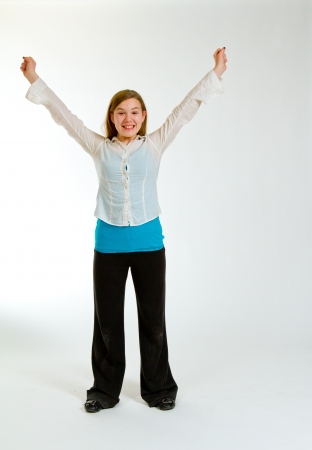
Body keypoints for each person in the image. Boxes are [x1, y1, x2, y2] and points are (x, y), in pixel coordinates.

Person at [20, 48, 227, 412]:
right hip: (109, 248)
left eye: (134, 112)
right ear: (112, 119)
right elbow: (64, 117)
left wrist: (216, 71)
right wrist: (35, 78)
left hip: (149, 246)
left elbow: (186, 109)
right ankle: (103, 390)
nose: (128, 118)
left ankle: (159, 387)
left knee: (153, 321)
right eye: (121, 112)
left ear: (143, 117)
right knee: (108, 324)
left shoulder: (157, 143)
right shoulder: (99, 147)